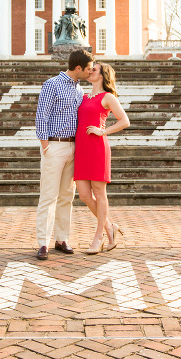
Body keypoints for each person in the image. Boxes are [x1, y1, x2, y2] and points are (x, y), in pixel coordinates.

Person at [34, 49, 95, 260]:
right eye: (88, 69)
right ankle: (43, 242)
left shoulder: (79, 89)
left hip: (73, 148)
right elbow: (41, 116)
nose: (90, 72)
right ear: (78, 68)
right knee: (48, 196)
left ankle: (62, 239)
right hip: (54, 146)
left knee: (67, 196)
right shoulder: (52, 84)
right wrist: (45, 146)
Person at [74, 63, 130, 254]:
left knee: (99, 193)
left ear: (102, 76)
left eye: (94, 70)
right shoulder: (83, 96)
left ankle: (98, 236)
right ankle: (109, 227)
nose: (90, 71)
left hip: (98, 148)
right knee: (83, 194)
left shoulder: (107, 97)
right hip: (81, 149)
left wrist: (103, 131)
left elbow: (125, 121)